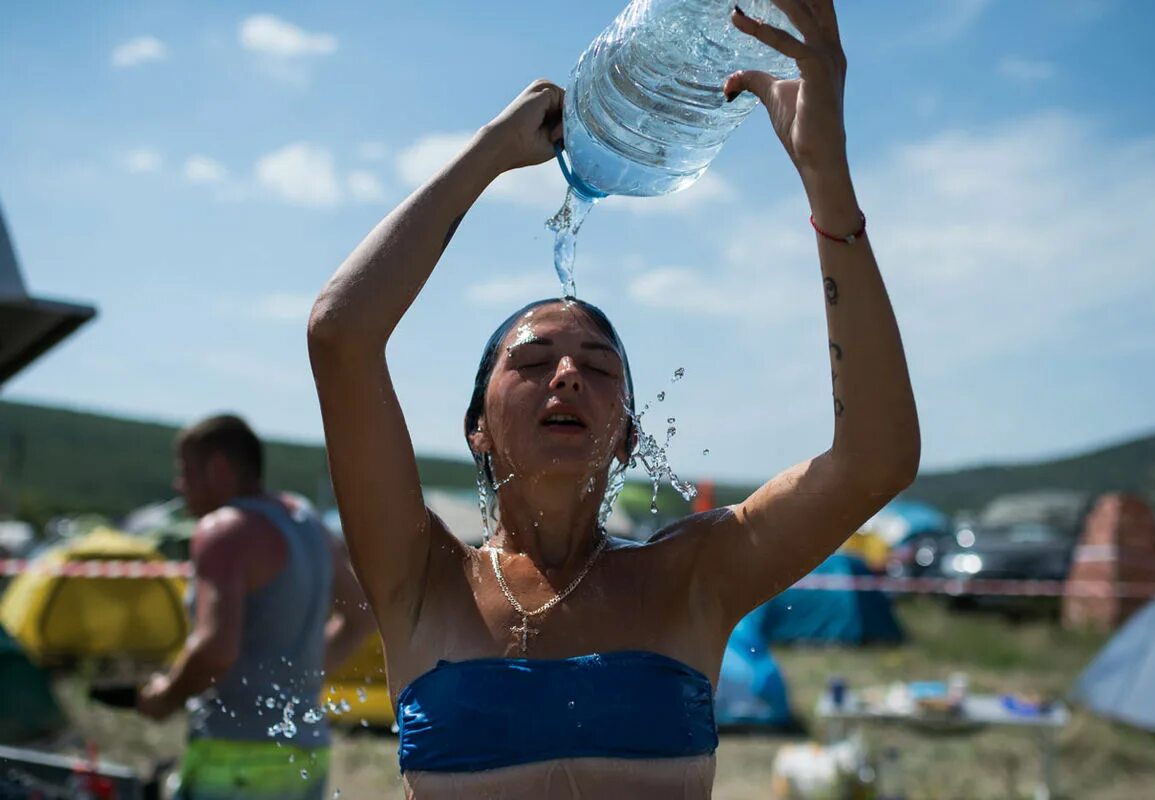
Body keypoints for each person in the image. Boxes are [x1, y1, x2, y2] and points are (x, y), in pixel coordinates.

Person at [308, 1, 919, 797]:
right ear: (477, 431)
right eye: (533, 360)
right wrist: (488, 155)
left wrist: (827, 180)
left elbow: (876, 460)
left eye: (598, 367)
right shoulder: (417, 578)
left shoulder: (694, 575)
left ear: (627, 435)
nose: (566, 375)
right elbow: (341, 333)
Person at [136, 414, 374, 800]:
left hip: (236, 754)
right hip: (305, 749)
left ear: (217, 469)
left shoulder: (223, 530)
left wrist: (164, 696)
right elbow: (362, 617)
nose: (179, 486)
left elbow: (216, 649)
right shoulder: (307, 521)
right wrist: (296, 678)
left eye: (186, 471)